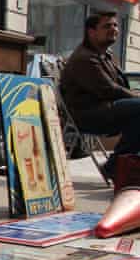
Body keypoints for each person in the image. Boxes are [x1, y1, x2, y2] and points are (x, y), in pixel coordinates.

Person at [60, 11, 140, 176]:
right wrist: (135, 97)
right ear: (91, 32)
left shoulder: (105, 55)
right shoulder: (85, 58)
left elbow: (118, 85)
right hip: (88, 114)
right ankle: (115, 167)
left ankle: (120, 166)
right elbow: (108, 89)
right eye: (107, 26)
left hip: (103, 109)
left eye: (115, 25)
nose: (114, 29)